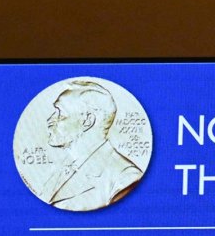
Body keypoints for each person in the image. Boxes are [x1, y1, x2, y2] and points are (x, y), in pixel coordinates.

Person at [39, 79, 143, 211]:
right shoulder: (63, 167)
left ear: (88, 121)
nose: (50, 120)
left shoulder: (125, 178)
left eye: (60, 113)